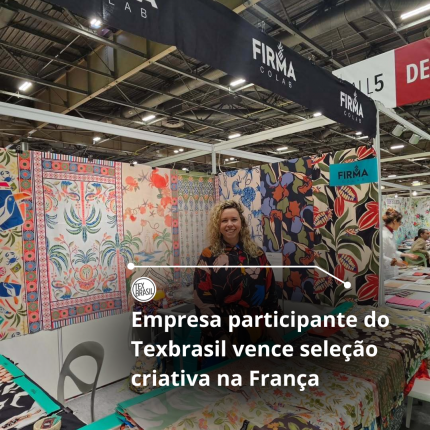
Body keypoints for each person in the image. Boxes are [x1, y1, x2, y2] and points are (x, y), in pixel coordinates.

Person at [193, 200, 284, 369]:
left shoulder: (257, 254)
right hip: (220, 335)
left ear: (241, 223)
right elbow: (203, 300)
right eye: (224, 220)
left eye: (234, 219)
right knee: (220, 382)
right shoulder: (208, 256)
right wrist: (220, 336)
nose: (229, 224)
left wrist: (272, 328)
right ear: (218, 225)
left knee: (255, 380)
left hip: (255, 333)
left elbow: (270, 292)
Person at [382, 208, 418, 281]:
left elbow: (392, 251)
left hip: (391, 270)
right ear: (394, 221)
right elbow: (380, 256)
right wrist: (395, 262)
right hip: (384, 271)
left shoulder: (390, 233)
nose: (400, 225)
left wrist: (406, 255)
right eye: (400, 222)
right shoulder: (384, 235)